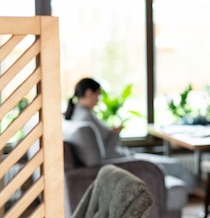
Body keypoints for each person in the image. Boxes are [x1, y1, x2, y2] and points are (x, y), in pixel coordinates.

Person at [65, 77, 198, 193]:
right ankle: (203, 196)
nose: (98, 100)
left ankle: (203, 198)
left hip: (122, 157)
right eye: (98, 96)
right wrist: (114, 134)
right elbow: (105, 151)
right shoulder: (85, 118)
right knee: (175, 165)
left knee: (172, 164)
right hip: (122, 161)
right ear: (89, 93)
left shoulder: (78, 115)